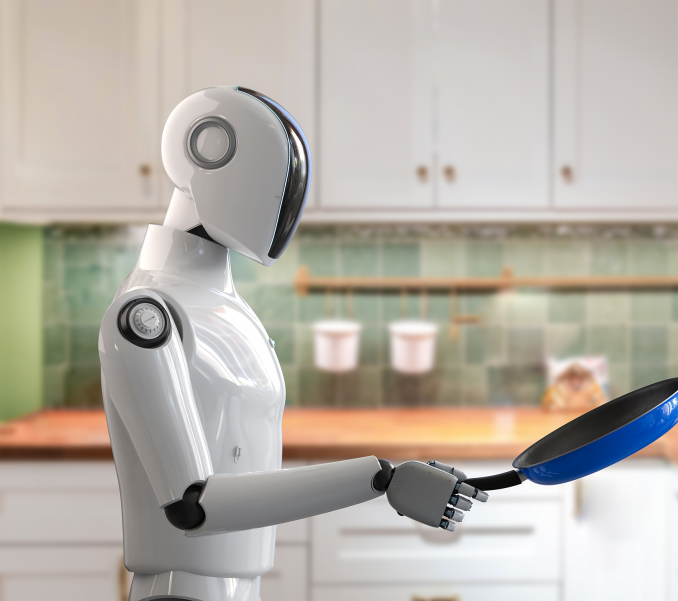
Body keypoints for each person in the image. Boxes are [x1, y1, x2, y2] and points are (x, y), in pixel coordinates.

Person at [99, 86, 487, 601]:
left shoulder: (224, 306)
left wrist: (387, 478)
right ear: (204, 150)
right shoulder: (146, 315)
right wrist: (380, 478)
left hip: (242, 588)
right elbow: (194, 503)